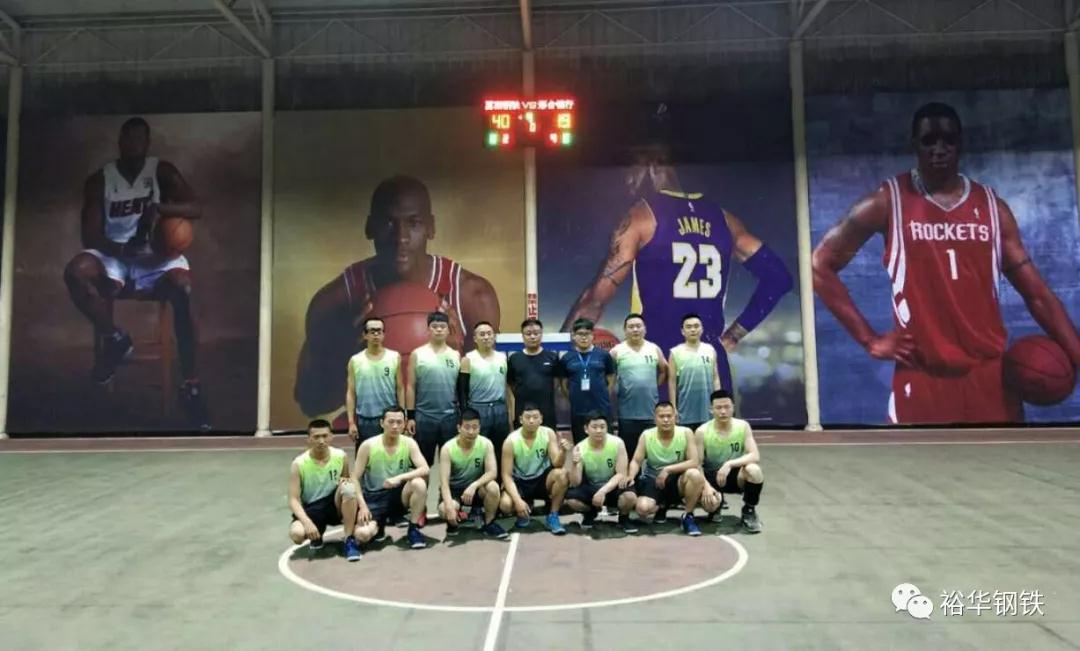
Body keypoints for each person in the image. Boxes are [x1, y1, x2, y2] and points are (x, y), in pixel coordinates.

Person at [812, 102, 1080, 423]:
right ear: (914, 145)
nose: (939, 149)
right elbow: (820, 265)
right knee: (915, 458)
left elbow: (1037, 296)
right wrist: (870, 340)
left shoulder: (993, 209)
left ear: (960, 143)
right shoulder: (887, 202)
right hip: (922, 376)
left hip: (989, 377)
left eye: (948, 140)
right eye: (929, 140)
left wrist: (1076, 354)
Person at [561, 109, 793, 387]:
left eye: (633, 166)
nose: (627, 178)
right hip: (711, 364)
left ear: (655, 165)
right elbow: (779, 278)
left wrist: (561, 351)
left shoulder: (641, 218)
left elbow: (596, 300)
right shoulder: (724, 220)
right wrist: (734, 335)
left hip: (659, 364)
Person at [294, 175, 500, 417]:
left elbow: (488, 401)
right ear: (370, 227)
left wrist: (456, 362)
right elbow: (311, 403)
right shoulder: (334, 303)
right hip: (373, 426)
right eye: (388, 223)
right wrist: (346, 357)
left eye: (413, 223)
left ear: (431, 227)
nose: (401, 238)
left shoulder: (473, 298)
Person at [62, 116, 209, 429]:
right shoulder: (100, 180)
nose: (134, 144)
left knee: (184, 289)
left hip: (157, 257)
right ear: (120, 142)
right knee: (76, 272)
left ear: (147, 142)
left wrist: (161, 209)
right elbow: (90, 236)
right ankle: (115, 338)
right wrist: (123, 250)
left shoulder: (161, 172)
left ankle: (191, 386)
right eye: (128, 139)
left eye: (140, 139)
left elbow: (195, 207)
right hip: (115, 254)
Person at [353, 406, 430, 551]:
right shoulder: (368, 446)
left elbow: (425, 469)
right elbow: (355, 478)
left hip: (398, 495)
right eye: (391, 422)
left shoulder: (409, 443)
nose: (395, 426)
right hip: (374, 497)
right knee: (362, 535)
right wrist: (362, 506)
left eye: (399, 422)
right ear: (382, 423)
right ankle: (379, 525)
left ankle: (413, 529)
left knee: (419, 483)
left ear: (404, 423)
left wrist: (399, 478)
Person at [288, 419, 362, 561]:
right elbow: (293, 500)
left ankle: (349, 540)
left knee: (348, 488)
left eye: (325, 436)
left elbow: (346, 481)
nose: (321, 441)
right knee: (297, 534)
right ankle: (317, 535)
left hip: (334, 506)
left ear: (331, 436)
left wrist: (362, 506)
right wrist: (307, 523)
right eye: (316, 437)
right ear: (309, 439)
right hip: (313, 509)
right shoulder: (298, 464)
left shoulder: (340, 456)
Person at [629, 401, 706, 536]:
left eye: (669, 416)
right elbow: (636, 461)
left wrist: (668, 470)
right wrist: (630, 476)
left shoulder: (686, 432)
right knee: (642, 509)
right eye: (662, 416)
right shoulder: (647, 435)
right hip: (654, 479)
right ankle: (662, 506)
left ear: (675, 417)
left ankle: (688, 516)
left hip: (677, 480)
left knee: (694, 474)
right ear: (655, 418)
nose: (666, 420)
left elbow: (694, 461)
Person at [696, 390, 763, 533]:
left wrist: (729, 464)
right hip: (712, 476)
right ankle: (716, 506)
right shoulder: (702, 431)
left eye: (727, 407)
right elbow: (698, 464)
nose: (723, 411)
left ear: (733, 407)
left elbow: (754, 455)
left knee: (754, 471)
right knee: (710, 505)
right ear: (711, 409)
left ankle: (749, 510)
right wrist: (706, 487)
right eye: (718, 408)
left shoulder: (742, 426)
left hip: (733, 475)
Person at [500, 403, 571, 535]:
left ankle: (553, 515)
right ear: (521, 419)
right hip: (520, 481)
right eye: (528, 417)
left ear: (541, 419)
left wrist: (563, 451)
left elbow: (557, 464)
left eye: (535, 417)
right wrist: (517, 501)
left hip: (541, 479)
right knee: (505, 505)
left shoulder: (548, 433)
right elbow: (506, 476)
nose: (531, 421)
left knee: (562, 474)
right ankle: (524, 506)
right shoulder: (511, 441)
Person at [438, 408, 509, 539]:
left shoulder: (486, 444)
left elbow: (492, 472)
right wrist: (449, 507)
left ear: (479, 428)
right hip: (455, 491)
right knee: (444, 510)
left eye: (475, 427)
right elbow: (444, 483)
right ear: (459, 428)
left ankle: (489, 523)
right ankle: (456, 520)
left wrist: (474, 485)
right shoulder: (447, 449)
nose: (471, 431)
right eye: (467, 427)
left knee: (493, 487)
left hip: (476, 489)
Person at [565, 411, 638, 533]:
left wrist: (602, 492)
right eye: (594, 427)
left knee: (630, 497)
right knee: (572, 501)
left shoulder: (617, 443)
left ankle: (624, 519)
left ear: (607, 428)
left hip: (613, 485)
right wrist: (574, 464)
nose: (599, 430)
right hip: (591, 486)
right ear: (586, 429)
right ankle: (590, 513)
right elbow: (576, 482)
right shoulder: (580, 448)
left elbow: (621, 474)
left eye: (602, 427)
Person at [406, 312, 461, 468]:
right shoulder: (417, 354)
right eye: (434, 326)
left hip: (450, 418)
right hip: (424, 417)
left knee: (450, 465)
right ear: (428, 330)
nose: (438, 329)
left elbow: (460, 388)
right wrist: (410, 416)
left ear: (448, 330)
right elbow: (410, 386)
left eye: (442, 326)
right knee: (422, 465)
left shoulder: (455, 355)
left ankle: (446, 486)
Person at [609, 313, 666, 456]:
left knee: (652, 452)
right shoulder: (616, 351)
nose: (635, 329)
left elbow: (664, 370)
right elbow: (609, 378)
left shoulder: (654, 348)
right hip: (626, 413)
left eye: (638, 326)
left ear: (645, 329)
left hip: (651, 412)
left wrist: (654, 386)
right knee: (629, 452)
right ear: (625, 330)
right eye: (631, 327)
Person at [458, 321, 512, 470]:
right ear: (475, 338)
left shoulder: (502, 358)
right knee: (478, 449)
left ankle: (499, 481)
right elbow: (462, 391)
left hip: (499, 408)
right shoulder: (468, 359)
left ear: (494, 336)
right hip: (478, 408)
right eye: (482, 334)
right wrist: (465, 414)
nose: (486, 337)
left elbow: (507, 387)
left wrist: (509, 413)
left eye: (489, 334)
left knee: (500, 448)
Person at [346, 317, 403, 450]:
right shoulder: (355, 360)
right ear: (365, 335)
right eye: (372, 331)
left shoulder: (394, 357)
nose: (376, 334)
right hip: (365, 420)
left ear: (384, 334)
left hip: (390, 419)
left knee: (391, 456)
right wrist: (351, 422)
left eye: (379, 331)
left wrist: (403, 415)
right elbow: (351, 393)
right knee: (366, 458)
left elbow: (400, 389)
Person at [558, 318, 616, 443]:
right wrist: (572, 397)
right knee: (580, 444)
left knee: (606, 443)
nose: (584, 337)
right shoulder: (567, 358)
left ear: (592, 335)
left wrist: (604, 393)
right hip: (578, 409)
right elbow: (563, 384)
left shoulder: (604, 355)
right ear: (574, 336)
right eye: (580, 334)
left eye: (587, 334)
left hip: (601, 408)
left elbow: (611, 377)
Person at [668, 314, 722, 432]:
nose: (693, 330)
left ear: (702, 329)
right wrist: (673, 407)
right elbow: (672, 383)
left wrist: (718, 403)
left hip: (708, 411)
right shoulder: (675, 352)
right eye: (689, 327)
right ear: (683, 331)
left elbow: (715, 378)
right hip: (685, 410)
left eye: (696, 326)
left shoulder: (710, 350)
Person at [506, 318, 561, 430]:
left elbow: (556, 383)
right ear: (522, 336)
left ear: (541, 334)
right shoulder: (514, 358)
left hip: (546, 411)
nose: (532, 337)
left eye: (536, 333)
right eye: (528, 333)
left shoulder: (552, 357)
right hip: (522, 411)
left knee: (547, 439)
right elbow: (510, 384)